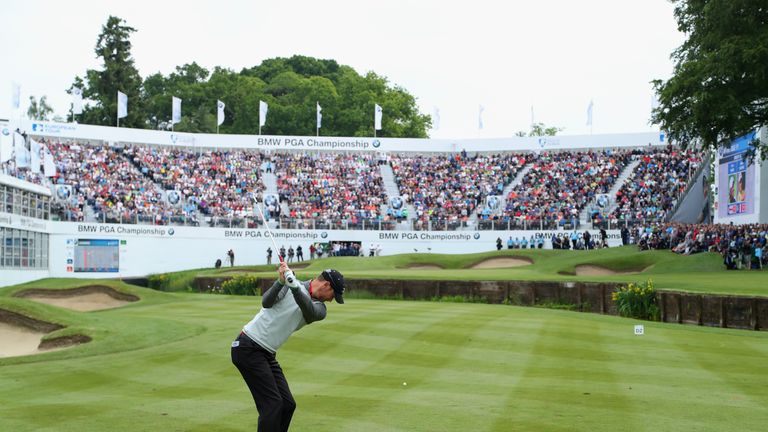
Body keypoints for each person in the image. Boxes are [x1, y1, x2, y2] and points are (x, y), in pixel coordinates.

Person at [232, 263, 345, 432]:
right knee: (272, 405)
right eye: (332, 295)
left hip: (266, 353)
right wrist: (281, 281)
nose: (331, 299)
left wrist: (294, 286)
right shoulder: (289, 284)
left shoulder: (320, 309)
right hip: (248, 346)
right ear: (326, 285)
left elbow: (307, 308)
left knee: (287, 404)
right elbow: (266, 302)